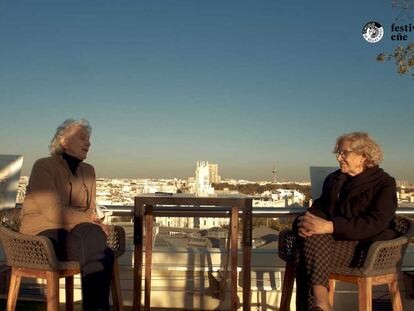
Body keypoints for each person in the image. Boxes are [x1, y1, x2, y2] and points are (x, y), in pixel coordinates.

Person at [293, 132, 398, 311]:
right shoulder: (335, 180)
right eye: (338, 153)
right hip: (335, 243)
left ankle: (320, 303)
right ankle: (321, 303)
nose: (339, 157)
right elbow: (320, 208)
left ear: (363, 156)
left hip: (368, 248)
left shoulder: (384, 183)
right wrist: (304, 223)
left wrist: (330, 226)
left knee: (303, 251)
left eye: (344, 153)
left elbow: (376, 222)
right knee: (312, 237)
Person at [20, 119, 114, 311]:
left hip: (76, 233)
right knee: (103, 253)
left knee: (99, 246)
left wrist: (92, 221)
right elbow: (52, 211)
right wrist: (89, 221)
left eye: (89, 139)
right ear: (63, 141)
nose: (89, 143)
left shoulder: (89, 171)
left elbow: (88, 210)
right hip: (42, 233)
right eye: (82, 138)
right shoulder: (43, 166)